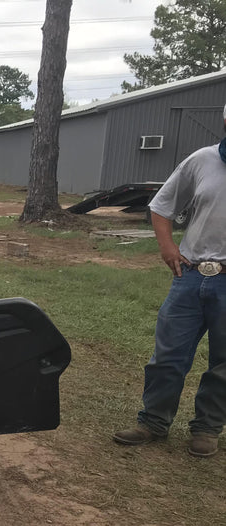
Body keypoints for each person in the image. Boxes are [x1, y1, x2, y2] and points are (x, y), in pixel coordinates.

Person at [112, 103, 226, 458]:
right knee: (168, 356)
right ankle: (153, 422)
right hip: (190, 277)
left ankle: (207, 429)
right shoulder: (201, 161)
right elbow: (162, 206)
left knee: (224, 364)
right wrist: (167, 247)